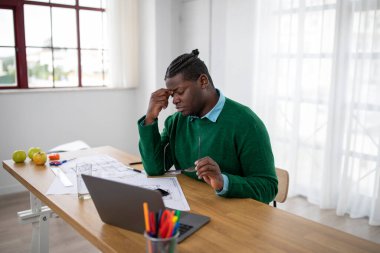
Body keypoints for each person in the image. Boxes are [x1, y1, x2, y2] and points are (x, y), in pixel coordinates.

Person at [137, 49, 278, 204]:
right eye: (172, 95)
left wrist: (223, 181)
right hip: (194, 204)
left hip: (234, 216)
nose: (175, 100)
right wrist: (150, 117)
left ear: (203, 81)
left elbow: (268, 187)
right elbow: (154, 168)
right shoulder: (176, 122)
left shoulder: (246, 123)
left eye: (180, 92)